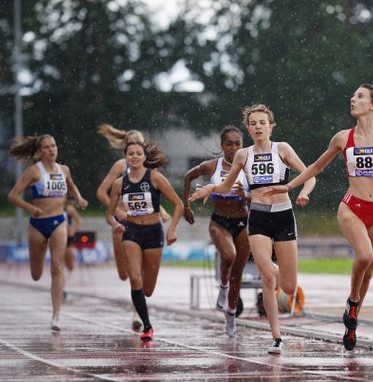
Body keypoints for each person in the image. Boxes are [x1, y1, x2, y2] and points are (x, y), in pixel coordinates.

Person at [263, 84, 373, 351]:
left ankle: (352, 321)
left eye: (360, 96)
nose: (353, 100)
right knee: (364, 257)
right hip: (352, 207)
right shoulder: (342, 138)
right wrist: (289, 186)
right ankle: (352, 303)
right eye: (353, 96)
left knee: (369, 271)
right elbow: (317, 166)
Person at [189, 104, 316, 354]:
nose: (258, 127)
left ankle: (284, 278)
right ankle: (277, 337)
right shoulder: (243, 155)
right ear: (249, 128)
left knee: (288, 286)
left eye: (262, 122)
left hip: (283, 216)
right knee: (266, 276)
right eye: (254, 123)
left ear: (271, 126)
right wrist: (210, 189)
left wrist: (303, 192)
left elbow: (310, 175)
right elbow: (226, 187)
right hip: (257, 218)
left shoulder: (283, 149)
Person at [7, 134, 88, 331]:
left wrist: (79, 198)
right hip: (37, 224)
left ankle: (56, 316)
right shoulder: (34, 171)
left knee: (56, 268)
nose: (52, 149)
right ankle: (37, 268)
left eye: (54, 145)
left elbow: (71, 185)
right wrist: (30, 208)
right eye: (47, 147)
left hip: (59, 222)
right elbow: (12, 196)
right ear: (40, 152)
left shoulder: (64, 169)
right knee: (36, 274)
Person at [105, 141, 183, 341]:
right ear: (126, 157)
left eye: (138, 153)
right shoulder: (119, 184)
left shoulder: (155, 177)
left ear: (144, 157)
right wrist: (116, 225)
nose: (135, 157)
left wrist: (172, 229)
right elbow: (110, 214)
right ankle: (147, 326)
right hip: (131, 232)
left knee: (147, 289)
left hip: (153, 232)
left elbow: (178, 204)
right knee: (134, 278)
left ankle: (144, 314)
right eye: (130, 154)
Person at [96, 124, 170, 330]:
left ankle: (138, 313)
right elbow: (102, 192)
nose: (135, 152)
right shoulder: (121, 166)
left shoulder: (149, 169)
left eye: (139, 145)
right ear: (126, 148)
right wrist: (119, 214)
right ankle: (139, 306)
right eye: (131, 146)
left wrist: (161, 211)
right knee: (124, 273)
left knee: (139, 275)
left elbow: (149, 197)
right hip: (123, 223)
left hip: (147, 226)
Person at [182, 126, 251, 337]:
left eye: (237, 144)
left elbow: (264, 194)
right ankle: (222, 286)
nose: (233, 148)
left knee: (238, 272)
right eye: (228, 144)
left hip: (242, 221)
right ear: (222, 146)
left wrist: (246, 195)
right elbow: (187, 177)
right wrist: (186, 206)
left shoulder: (248, 166)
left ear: (242, 145)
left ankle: (230, 315)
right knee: (228, 256)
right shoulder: (212, 166)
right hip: (219, 221)